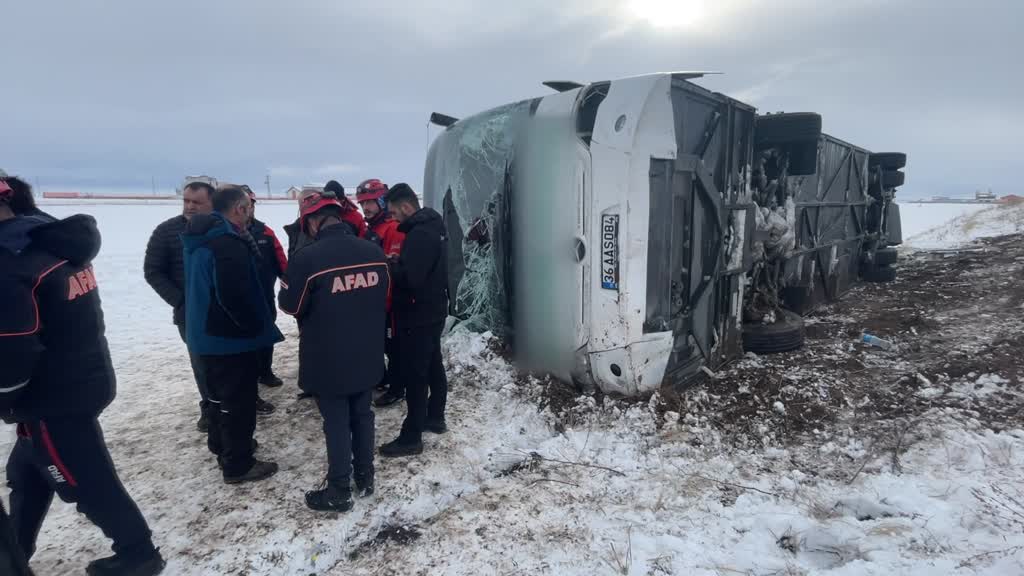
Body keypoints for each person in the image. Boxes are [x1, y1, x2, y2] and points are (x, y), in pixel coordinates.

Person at [0, 179, 165, 575]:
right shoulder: (50, 241)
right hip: (83, 375)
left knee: (84, 477)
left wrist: (5, 397)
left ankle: (138, 553)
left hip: (53, 397)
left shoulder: (12, 263)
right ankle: (15, 552)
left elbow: (14, 349)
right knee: (28, 472)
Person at [279, 192, 390, 511]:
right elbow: (384, 295)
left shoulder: (308, 258)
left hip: (328, 356)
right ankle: (365, 477)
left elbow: (289, 305)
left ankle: (339, 489)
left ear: (312, 222)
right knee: (363, 414)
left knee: (337, 421)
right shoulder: (373, 250)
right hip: (367, 351)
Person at [144, 178, 275, 431]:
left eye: (197, 202)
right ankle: (212, 412)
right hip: (191, 315)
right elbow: (153, 271)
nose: (190, 206)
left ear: (212, 203)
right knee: (204, 368)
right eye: (186, 201)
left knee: (236, 371)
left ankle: (243, 405)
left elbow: (256, 265)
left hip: (227, 316)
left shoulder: (234, 231)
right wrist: (182, 300)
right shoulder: (168, 231)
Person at [182, 186, 283, 484]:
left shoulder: (202, 235)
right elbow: (233, 296)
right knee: (238, 402)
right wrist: (253, 330)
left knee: (216, 397)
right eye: (247, 207)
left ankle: (222, 446)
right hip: (228, 339)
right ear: (240, 208)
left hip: (205, 333)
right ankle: (239, 463)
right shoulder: (227, 243)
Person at [379, 183, 450, 457]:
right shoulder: (434, 226)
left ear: (407, 207)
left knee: (416, 375)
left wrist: (390, 265)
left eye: (395, 212)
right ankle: (435, 417)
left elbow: (411, 279)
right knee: (433, 365)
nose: (394, 218)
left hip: (418, 314)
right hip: (432, 310)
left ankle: (411, 438)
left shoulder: (420, 234)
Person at [356, 179, 407, 408]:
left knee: (393, 347)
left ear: (381, 201)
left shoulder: (393, 229)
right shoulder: (370, 230)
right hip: (375, 300)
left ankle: (398, 388)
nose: (365, 207)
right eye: (362, 203)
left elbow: (393, 267)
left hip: (391, 302)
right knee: (381, 344)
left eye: (369, 202)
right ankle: (385, 378)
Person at [243, 185, 287, 388]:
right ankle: (249, 377)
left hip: (264, 297)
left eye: (250, 204)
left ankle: (265, 371)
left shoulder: (265, 232)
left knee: (266, 335)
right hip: (238, 299)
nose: (247, 209)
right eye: (243, 205)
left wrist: (291, 286)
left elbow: (282, 264)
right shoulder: (223, 233)